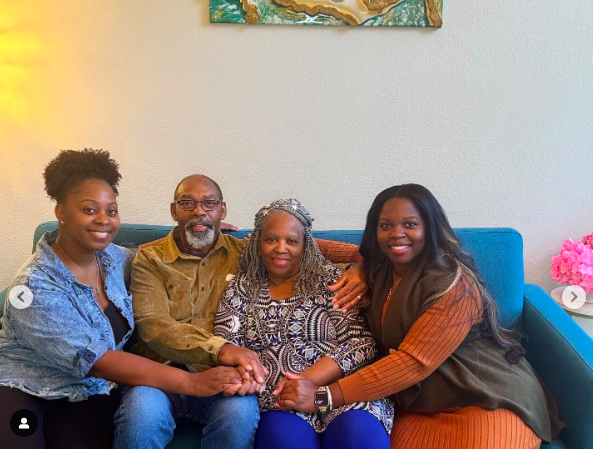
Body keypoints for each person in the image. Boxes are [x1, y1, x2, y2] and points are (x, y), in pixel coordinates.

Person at [275, 184, 565, 449]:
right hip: (420, 403)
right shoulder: (383, 266)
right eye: (385, 225)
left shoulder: (455, 286)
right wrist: (244, 241)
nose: (396, 234)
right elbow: (314, 247)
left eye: (410, 224)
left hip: (485, 396)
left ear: (431, 228)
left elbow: (411, 364)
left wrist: (324, 396)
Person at [0, 150, 244, 449]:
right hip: (26, 389)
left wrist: (204, 229)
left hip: (86, 392)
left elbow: (162, 256)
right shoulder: (33, 288)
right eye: (89, 210)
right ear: (61, 212)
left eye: (111, 211)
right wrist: (193, 383)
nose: (103, 220)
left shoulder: (114, 260)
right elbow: (96, 361)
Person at [120, 174, 369, 449]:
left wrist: (363, 262)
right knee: (141, 415)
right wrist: (224, 350)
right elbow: (155, 326)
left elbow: (296, 241)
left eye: (209, 204)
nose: (199, 211)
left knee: (239, 415)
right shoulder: (149, 260)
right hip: (160, 376)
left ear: (222, 210)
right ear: (174, 210)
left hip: (221, 381)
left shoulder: (245, 252)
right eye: (188, 204)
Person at [213, 198, 393, 449]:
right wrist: (247, 372)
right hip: (278, 401)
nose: (281, 248)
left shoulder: (331, 281)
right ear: (257, 243)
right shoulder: (241, 288)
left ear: (305, 245)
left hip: (342, 392)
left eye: (292, 241)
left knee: (358, 435)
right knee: (282, 439)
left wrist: (308, 380)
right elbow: (224, 345)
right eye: (271, 239)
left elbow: (360, 343)